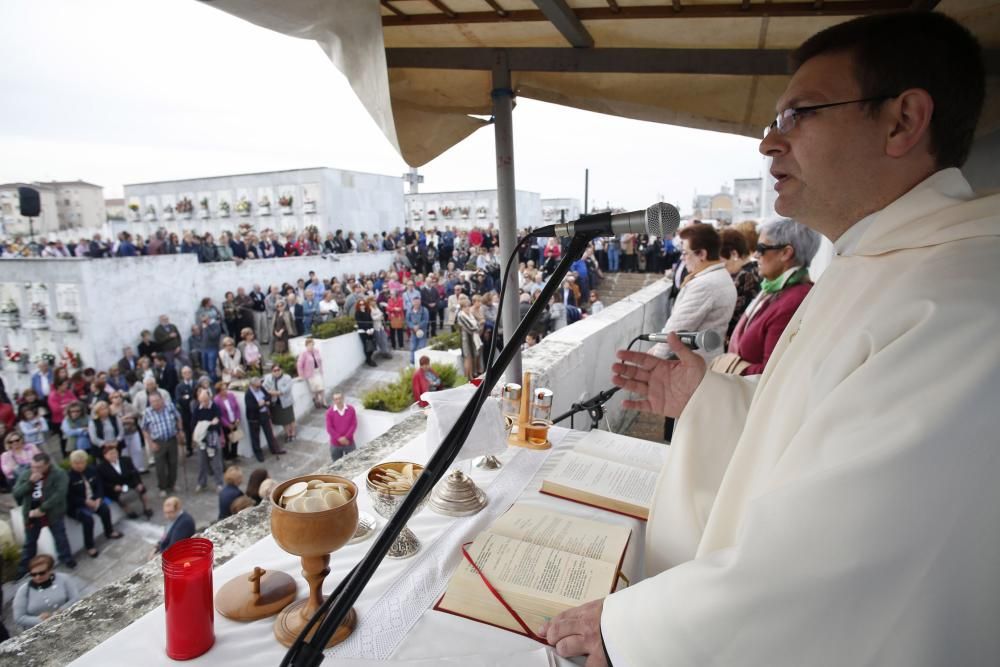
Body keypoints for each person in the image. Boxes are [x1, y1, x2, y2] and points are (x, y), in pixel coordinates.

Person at [543, 13, 1000, 666]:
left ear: (903, 121)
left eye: (798, 116)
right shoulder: (869, 260)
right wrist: (712, 398)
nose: (767, 144)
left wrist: (634, 630)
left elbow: (842, 561)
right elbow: (815, 430)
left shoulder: (964, 301)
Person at [715, 219, 821, 375]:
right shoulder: (778, 290)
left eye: (761, 248)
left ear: (786, 253)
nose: (756, 255)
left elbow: (771, 373)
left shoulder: (794, 300)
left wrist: (730, 366)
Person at [649, 222, 736, 362]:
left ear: (702, 254)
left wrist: (653, 361)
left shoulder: (705, 285)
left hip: (692, 368)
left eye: (685, 253)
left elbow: (674, 331)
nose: (683, 258)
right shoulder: (722, 276)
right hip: (708, 362)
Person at [14, 453, 76, 576]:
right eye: (33, 466)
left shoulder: (59, 473)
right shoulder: (27, 474)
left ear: (47, 465)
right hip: (31, 515)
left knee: (60, 538)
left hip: (53, 513)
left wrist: (42, 509)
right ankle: (23, 569)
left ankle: (67, 559)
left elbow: (60, 494)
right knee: (30, 543)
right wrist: (30, 483)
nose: (35, 470)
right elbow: (16, 493)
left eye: (39, 467)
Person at [66, 450, 122, 558]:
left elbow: (99, 485)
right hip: (78, 505)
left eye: (82, 463)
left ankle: (109, 532)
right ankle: (90, 546)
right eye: (76, 463)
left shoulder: (91, 470)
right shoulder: (68, 477)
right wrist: (84, 501)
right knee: (88, 520)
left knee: (105, 509)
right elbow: (70, 496)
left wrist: (99, 498)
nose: (79, 466)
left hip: (94, 500)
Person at [13, 555, 80, 629]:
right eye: (33, 574)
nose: (37, 577)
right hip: (40, 630)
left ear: (50, 570)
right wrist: (40, 620)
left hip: (67, 622)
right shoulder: (24, 590)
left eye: (41, 573)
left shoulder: (64, 578)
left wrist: (60, 611)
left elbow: (75, 598)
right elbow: (19, 617)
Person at [720, 227, 762, 340]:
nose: (722, 267)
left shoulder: (746, 276)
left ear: (734, 254)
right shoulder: (754, 269)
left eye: (722, 261)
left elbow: (735, 317)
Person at [141, 392, 184, 497]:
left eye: (157, 400)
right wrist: (150, 443)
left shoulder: (170, 406)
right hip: (158, 442)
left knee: (173, 463)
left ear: (162, 399)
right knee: (160, 466)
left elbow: (178, 418)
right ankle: (162, 487)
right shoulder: (147, 412)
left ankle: (172, 484)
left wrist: (180, 431)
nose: (155, 403)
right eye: (152, 402)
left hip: (172, 439)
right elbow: (145, 429)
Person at [97, 444, 153, 520]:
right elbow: (103, 482)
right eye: (111, 454)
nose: (113, 455)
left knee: (141, 488)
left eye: (115, 453)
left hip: (129, 482)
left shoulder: (126, 460)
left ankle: (147, 508)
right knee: (120, 498)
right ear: (105, 456)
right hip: (115, 487)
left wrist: (138, 483)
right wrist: (113, 487)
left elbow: (134, 473)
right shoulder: (101, 468)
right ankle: (129, 512)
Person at [192, 387, 224, 493]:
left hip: (213, 437)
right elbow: (194, 423)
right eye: (202, 401)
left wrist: (206, 424)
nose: (204, 403)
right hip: (201, 439)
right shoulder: (198, 408)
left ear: (209, 398)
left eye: (206, 400)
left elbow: (218, 423)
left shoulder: (214, 406)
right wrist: (208, 423)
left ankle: (219, 483)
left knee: (216, 462)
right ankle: (202, 483)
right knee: (202, 462)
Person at [244, 375, 284, 461]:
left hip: (264, 414)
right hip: (254, 418)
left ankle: (274, 449)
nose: (259, 387)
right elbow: (251, 407)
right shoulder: (248, 394)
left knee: (269, 433)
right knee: (255, 437)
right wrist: (260, 405)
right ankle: (259, 454)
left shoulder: (261, 388)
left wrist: (264, 402)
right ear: (251, 385)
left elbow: (268, 396)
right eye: (257, 386)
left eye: (260, 385)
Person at [264, 363, 296, 442]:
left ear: (281, 370)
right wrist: (274, 392)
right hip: (276, 403)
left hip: (286, 402)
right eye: (274, 370)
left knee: (290, 419)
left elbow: (285, 391)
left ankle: (293, 433)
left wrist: (272, 392)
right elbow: (264, 387)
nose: (277, 372)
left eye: (278, 370)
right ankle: (288, 434)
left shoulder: (287, 377)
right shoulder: (268, 378)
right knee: (283, 420)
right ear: (272, 371)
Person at [325, 392, 357, 463]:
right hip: (335, 444)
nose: (338, 401)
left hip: (349, 442)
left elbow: (353, 424)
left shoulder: (351, 409)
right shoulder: (329, 412)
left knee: (353, 462)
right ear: (333, 400)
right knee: (337, 464)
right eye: (336, 399)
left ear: (343, 398)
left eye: (340, 398)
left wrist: (346, 438)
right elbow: (329, 428)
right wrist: (339, 438)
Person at [174, 366, 197, 457]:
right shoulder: (179, 386)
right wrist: (188, 398)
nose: (187, 374)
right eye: (185, 373)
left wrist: (187, 397)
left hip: (196, 410)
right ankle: (189, 448)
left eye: (189, 372)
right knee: (188, 430)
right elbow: (179, 399)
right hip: (186, 411)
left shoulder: (196, 383)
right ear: (182, 375)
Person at [296, 338, 326, 408]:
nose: (311, 346)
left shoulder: (316, 351)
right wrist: (301, 375)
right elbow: (299, 365)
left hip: (317, 371)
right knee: (315, 389)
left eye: (312, 344)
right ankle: (317, 400)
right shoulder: (304, 353)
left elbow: (320, 360)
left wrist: (321, 369)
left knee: (321, 387)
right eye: (309, 345)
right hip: (310, 374)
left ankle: (323, 402)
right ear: (306, 346)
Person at [355, 298, 378, 367]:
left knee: (372, 345)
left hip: (370, 331)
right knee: (366, 346)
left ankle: (369, 358)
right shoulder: (357, 313)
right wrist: (366, 330)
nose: (362, 306)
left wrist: (371, 329)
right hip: (363, 332)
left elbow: (370, 321)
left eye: (363, 304)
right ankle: (368, 360)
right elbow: (360, 323)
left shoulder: (368, 311)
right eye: (361, 304)